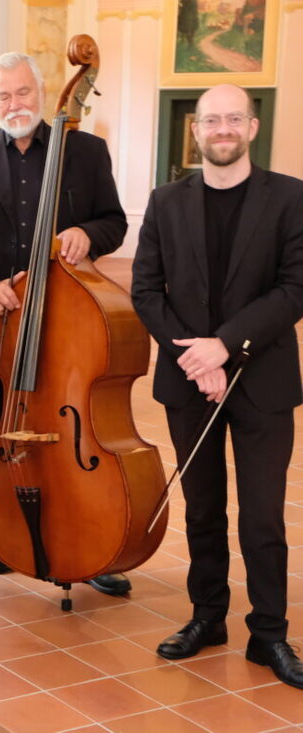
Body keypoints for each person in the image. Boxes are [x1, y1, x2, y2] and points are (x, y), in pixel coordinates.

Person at [131, 84, 303, 689]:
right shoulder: (164, 201)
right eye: (211, 120)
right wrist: (197, 361)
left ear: (252, 128)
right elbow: (146, 291)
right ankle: (208, 616)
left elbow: (294, 288)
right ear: (196, 131)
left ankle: (270, 633)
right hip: (189, 382)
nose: (222, 128)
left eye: (234, 118)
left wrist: (224, 346)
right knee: (202, 509)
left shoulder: (290, 198)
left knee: (261, 516)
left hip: (264, 381)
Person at [0, 51, 132, 596]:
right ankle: (9, 531)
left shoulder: (86, 151)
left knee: (79, 427)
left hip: (72, 323)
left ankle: (92, 541)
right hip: (1, 323)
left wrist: (87, 235)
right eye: (3, 96)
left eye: (22, 93)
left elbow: (114, 221)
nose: (14, 104)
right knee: (8, 430)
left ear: (44, 94)